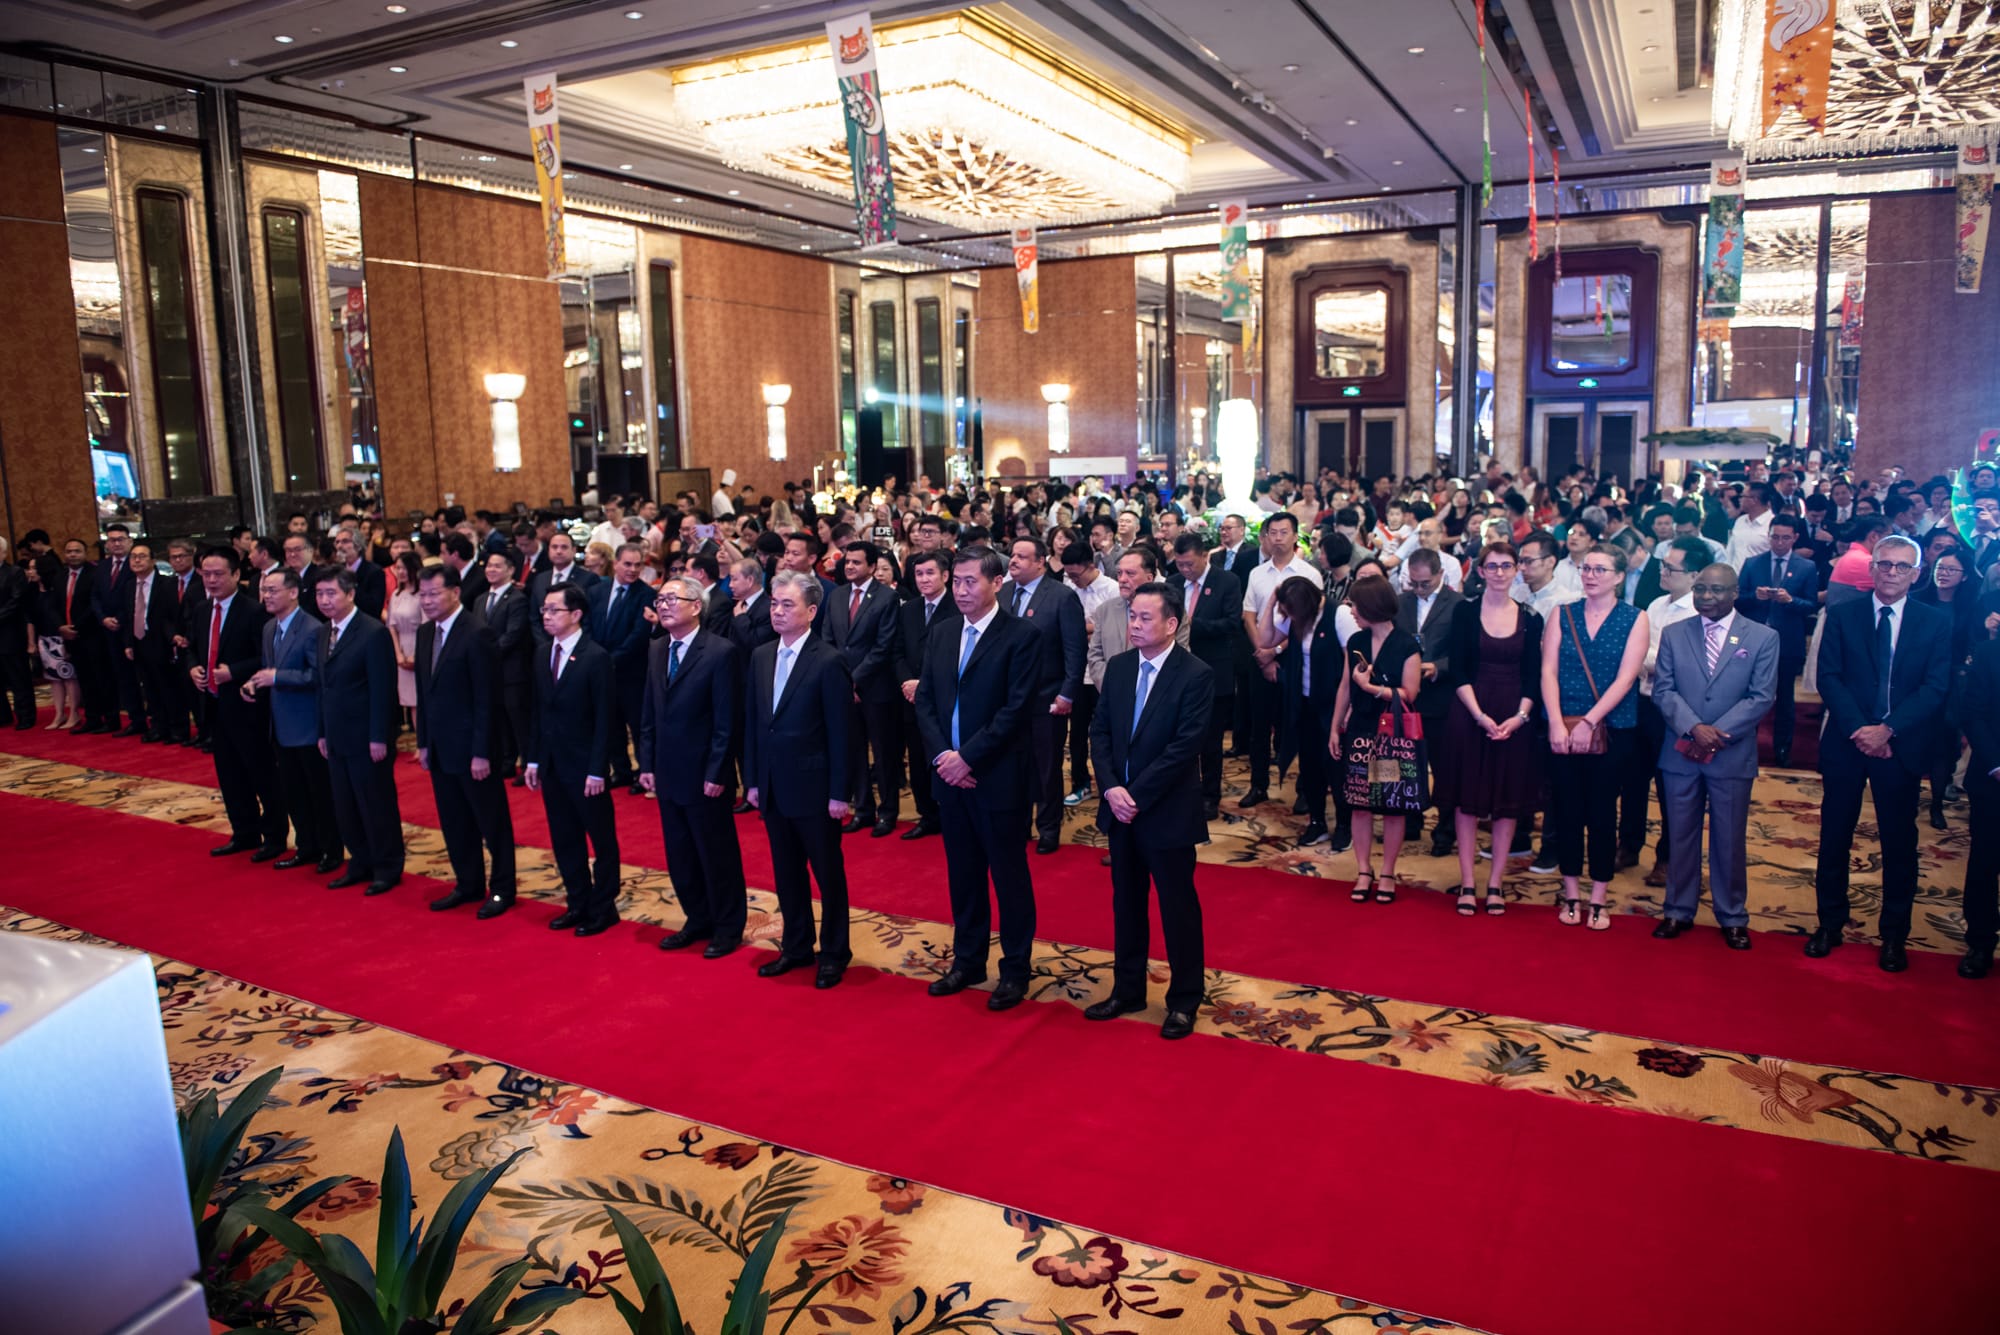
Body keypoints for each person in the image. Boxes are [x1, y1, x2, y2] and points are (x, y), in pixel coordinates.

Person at [1809, 535, 1952, 972]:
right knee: (1835, 834)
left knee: (1898, 841)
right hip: (1847, 743)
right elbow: (1828, 676)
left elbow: (1936, 686)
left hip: (1901, 745)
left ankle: (1894, 935)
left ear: (1917, 573)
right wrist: (1861, 729)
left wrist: (1888, 729)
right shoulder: (1843, 614)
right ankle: (1830, 923)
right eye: (1884, 564)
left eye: (1901, 567)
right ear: (1871, 569)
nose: (1891, 573)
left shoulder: (1935, 621)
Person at [914, 545, 1040, 1009]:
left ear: (996, 583)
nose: (962, 590)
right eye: (958, 581)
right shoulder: (944, 632)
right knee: (963, 875)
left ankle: (1015, 969)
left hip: (997, 776)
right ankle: (967, 961)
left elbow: (1016, 710)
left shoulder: (1022, 635)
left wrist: (968, 758)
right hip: (949, 776)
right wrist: (945, 757)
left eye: (972, 581)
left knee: (1008, 877)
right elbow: (926, 700)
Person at [1087, 581, 1210, 1040]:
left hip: (1165, 811)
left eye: (1144, 618)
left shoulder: (1195, 674)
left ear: (1171, 624)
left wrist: (1134, 794)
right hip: (1120, 810)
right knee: (1127, 903)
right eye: (1131, 616)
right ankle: (1128, 989)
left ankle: (1183, 1000)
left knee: (1178, 907)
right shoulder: (1118, 669)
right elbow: (1099, 733)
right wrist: (1111, 788)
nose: (1134, 625)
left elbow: (1184, 748)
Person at [1650, 563, 1780, 949]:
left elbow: (1761, 696)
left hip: (1731, 754)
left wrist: (1716, 732)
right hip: (1680, 754)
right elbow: (1664, 692)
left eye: (1716, 590)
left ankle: (1732, 915)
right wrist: (1694, 727)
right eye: (1701, 588)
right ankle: (1677, 910)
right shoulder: (1674, 634)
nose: (1707, 597)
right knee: (1681, 835)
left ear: (1735, 592)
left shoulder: (1762, 637)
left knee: (1728, 838)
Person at [744, 570, 854, 987]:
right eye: (774, 603)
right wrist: (753, 780)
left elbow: (842, 731)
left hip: (816, 787)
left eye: (787, 604)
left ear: (811, 610)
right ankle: (796, 946)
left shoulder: (828, 659)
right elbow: (756, 724)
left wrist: (839, 792)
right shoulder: (760, 656)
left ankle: (834, 952)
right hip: (773, 786)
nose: (777, 610)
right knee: (786, 874)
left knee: (828, 874)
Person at [1540, 544, 1649, 930]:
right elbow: (1548, 670)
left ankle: (1599, 896)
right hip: (1562, 725)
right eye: (1586, 568)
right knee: (1566, 810)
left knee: (1603, 813)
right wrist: (1555, 720)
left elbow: (1626, 678)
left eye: (1600, 570)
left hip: (1613, 728)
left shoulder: (1635, 618)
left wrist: (1590, 721)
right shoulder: (1562, 613)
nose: (1590, 575)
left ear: (1619, 576)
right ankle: (1571, 892)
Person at [640, 576, 749, 957]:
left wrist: (718, 772)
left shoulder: (720, 652)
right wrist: (646, 760)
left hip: (705, 774)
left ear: (696, 606)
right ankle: (697, 918)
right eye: (661, 598)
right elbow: (650, 711)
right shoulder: (656, 649)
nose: (665, 604)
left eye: (673, 598)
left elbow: (727, 721)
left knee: (715, 852)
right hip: (667, 771)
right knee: (680, 852)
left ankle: (727, 926)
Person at [1438, 543, 1544, 914]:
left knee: (1507, 803)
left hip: (1515, 716)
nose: (1500, 573)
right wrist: (1480, 715)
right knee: (1467, 801)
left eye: (1507, 566)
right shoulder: (1465, 613)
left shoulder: (1531, 617)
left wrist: (1520, 718)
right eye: (1492, 566)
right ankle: (1468, 881)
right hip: (1471, 711)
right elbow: (1459, 669)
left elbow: (1534, 675)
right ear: (1480, 571)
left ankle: (1496, 882)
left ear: (1517, 570)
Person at [414, 564, 516, 917]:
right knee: (454, 820)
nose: (426, 601)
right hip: (440, 747)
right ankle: (468, 883)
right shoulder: (427, 633)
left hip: (474, 750)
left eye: (433, 593)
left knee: (491, 822)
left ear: (455, 592)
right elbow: (424, 693)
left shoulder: (477, 633)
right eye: (422, 594)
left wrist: (482, 752)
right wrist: (423, 742)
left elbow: (487, 698)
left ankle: (503, 888)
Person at [527, 582, 622, 937]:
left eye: (554, 610)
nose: (547, 616)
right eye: (544, 610)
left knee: (601, 840)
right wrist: (534, 759)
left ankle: (603, 907)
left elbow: (605, 720)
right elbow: (538, 711)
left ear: (576, 614)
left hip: (586, 767)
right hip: (552, 764)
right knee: (564, 839)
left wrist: (599, 768)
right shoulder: (541, 653)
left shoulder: (595, 656)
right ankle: (577, 902)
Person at [242, 566, 341, 875]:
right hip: (281, 727)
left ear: (294, 592)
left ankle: (331, 850)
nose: (266, 596)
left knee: (319, 794)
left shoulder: (312, 628)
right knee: (294, 793)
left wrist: (278, 677)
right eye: (263, 590)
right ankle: (307, 846)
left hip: (309, 726)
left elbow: (319, 676)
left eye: (272, 590)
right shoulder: (270, 628)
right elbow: (268, 669)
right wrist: (255, 682)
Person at [1332, 575, 1424, 903]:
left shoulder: (1405, 644)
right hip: (1359, 728)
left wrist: (1371, 688)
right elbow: (1345, 686)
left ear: (1371, 606)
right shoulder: (1356, 638)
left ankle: (1386, 871)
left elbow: (1410, 692)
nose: (1352, 610)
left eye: (1356, 604)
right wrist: (1334, 728)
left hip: (1388, 735)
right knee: (1359, 804)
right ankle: (1362, 870)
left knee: (1390, 805)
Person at [191, 547, 286, 858]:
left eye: (219, 574)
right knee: (229, 774)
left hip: (247, 705)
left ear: (236, 575)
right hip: (214, 704)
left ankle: (274, 836)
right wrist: (192, 667)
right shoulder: (202, 609)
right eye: (207, 574)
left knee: (260, 772)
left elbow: (266, 657)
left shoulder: (254, 612)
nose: (212, 580)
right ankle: (244, 832)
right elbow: (194, 647)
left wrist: (235, 671)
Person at [314, 567, 403, 896]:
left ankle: (387, 865)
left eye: (331, 593)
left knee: (375, 803)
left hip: (367, 737)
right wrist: (322, 731)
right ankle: (360, 861)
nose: (324, 600)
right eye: (320, 594)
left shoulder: (372, 632)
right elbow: (324, 687)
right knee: (346, 804)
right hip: (337, 736)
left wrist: (380, 735)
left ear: (350, 594)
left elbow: (383, 689)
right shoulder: (325, 632)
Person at [1631, 537, 1706, 887]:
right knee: (1631, 781)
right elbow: (1641, 651)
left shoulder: (1699, 612)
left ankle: (1667, 857)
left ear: (1693, 576)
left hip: (1675, 709)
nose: (1662, 572)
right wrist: (1647, 660)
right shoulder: (1657, 604)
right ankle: (1627, 846)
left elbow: (1674, 663)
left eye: (1670, 568)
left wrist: (1645, 661)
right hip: (1642, 702)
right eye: (1662, 566)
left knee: (1670, 788)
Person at [1005, 537, 1087, 854]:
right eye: (1012, 555)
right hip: (1011, 698)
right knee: (1015, 765)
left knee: (1046, 767)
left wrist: (1068, 693)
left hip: (1047, 696)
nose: (1013, 561)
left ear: (1041, 561)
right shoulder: (1003, 593)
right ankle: (1020, 823)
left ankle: (1049, 828)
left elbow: (1074, 651)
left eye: (1021, 557)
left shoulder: (1061, 597)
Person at [1242, 512, 1322, 807]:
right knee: (1259, 727)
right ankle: (1258, 785)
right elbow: (1248, 615)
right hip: (1259, 656)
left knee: (1297, 724)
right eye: (1272, 532)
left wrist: (1275, 652)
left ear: (1294, 536)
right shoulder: (1256, 574)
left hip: (1294, 659)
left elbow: (1311, 623)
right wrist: (1263, 655)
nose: (1277, 538)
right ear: (1265, 537)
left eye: (1283, 532)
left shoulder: (1308, 574)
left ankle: (1303, 789)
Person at [823, 540, 902, 836]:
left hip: (876, 688)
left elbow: (883, 647)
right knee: (853, 751)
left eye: (857, 562)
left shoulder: (886, 598)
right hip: (842, 686)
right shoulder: (836, 595)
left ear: (871, 566)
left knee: (884, 755)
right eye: (848, 561)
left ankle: (888, 811)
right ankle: (863, 809)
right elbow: (829, 640)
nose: (850, 566)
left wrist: (856, 678)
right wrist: (842, 680)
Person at [1396, 547, 1464, 856]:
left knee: (1445, 766)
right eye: (1414, 582)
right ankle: (1411, 820)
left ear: (1440, 575)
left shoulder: (1459, 606)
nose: (1419, 588)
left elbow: (1465, 654)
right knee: (1407, 762)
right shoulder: (1401, 602)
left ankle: (1445, 830)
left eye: (1425, 583)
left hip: (1442, 696)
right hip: (1407, 696)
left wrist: (1439, 667)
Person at [1170, 532, 1243, 821]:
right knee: (1177, 737)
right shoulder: (1173, 583)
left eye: (1189, 564)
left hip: (1214, 669)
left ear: (1204, 556)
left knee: (1211, 741)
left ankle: (1210, 796)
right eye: (1180, 564)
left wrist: (1189, 624)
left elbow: (1230, 623)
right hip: (1177, 671)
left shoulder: (1227, 581)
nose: (1185, 570)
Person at [1736, 514, 1818, 768]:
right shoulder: (1752, 564)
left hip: (1787, 642)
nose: (1779, 542)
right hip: (1753, 641)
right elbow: (1738, 601)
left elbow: (1811, 605)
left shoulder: (1806, 567)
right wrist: (1755, 596)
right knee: (1747, 695)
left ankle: (1783, 748)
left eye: (1785, 538)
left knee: (1784, 698)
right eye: (1775, 537)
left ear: (1794, 538)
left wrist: (1790, 600)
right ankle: (1743, 745)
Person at [892, 550, 961, 841]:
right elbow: (896, 651)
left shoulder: (958, 607)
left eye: (930, 573)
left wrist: (924, 684)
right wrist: (908, 681)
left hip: (943, 698)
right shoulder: (908, 608)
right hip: (910, 698)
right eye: (919, 574)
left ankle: (951, 815)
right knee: (917, 758)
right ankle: (927, 814)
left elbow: (956, 656)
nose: (923, 579)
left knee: (944, 756)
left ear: (945, 576)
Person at [1915, 544, 1979, 828]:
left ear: (1964, 576)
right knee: (1911, 743)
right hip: (1914, 680)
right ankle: (1906, 797)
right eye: (1941, 568)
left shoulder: (1971, 608)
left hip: (1949, 685)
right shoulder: (1917, 599)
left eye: (1952, 570)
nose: (1945, 574)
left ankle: (1937, 805)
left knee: (1943, 747)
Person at [588, 543, 656, 794]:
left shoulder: (646, 594)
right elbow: (587, 625)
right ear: (615, 563)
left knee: (638, 725)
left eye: (638, 565)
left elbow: (638, 636)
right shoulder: (596, 591)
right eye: (627, 564)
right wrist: (594, 660)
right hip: (600, 671)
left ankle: (645, 772)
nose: (633, 569)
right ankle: (622, 770)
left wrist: (607, 661)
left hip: (631, 672)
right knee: (610, 723)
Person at [1958, 635, 2000, 979]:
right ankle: (1980, 942)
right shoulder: (1990, 650)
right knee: (1985, 863)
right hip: (1993, 776)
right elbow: (1974, 712)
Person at [470, 550, 532, 780]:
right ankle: (507, 761)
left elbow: (513, 634)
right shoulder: (480, 599)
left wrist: (487, 653)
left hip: (512, 671)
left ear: (510, 570)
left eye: (497, 566)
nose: (491, 570)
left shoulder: (517, 599)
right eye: (489, 566)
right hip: (489, 672)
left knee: (518, 721)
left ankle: (527, 764)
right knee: (500, 721)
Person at [119, 542, 176, 741]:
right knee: (149, 688)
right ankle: (158, 726)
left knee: (166, 686)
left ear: (153, 560)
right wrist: (128, 643)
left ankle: (174, 727)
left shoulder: (167, 584)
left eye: (142, 556)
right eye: (133, 557)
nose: (137, 560)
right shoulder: (128, 586)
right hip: (138, 642)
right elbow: (128, 616)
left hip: (160, 642)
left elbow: (171, 616)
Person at [527, 531, 600, 645]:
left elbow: (589, 619)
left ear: (574, 550)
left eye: (564, 547)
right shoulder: (540, 579)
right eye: (554, 547)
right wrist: (545, 644)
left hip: (576, 645)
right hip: (544, 646)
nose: (559, 551)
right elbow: (534, 617)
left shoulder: (589, 579)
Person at [386, 551, 423, 729]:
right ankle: (419, 740)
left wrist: (416, 655)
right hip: (402, 646)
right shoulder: (396, 595)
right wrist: (398, 654)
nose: (400, 572)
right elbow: (391, 626)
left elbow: (426, 625)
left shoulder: (423, 593)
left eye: (404, 568)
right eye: (398, 568)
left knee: (423, 698)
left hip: (420, 644)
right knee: (411, 700)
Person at [0, 536, 33, 728]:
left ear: (3, 552)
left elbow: (17, 600)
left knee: (18, 677)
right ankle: (3, 715)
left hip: (10, 634)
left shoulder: (14, 573)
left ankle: (25, 716)